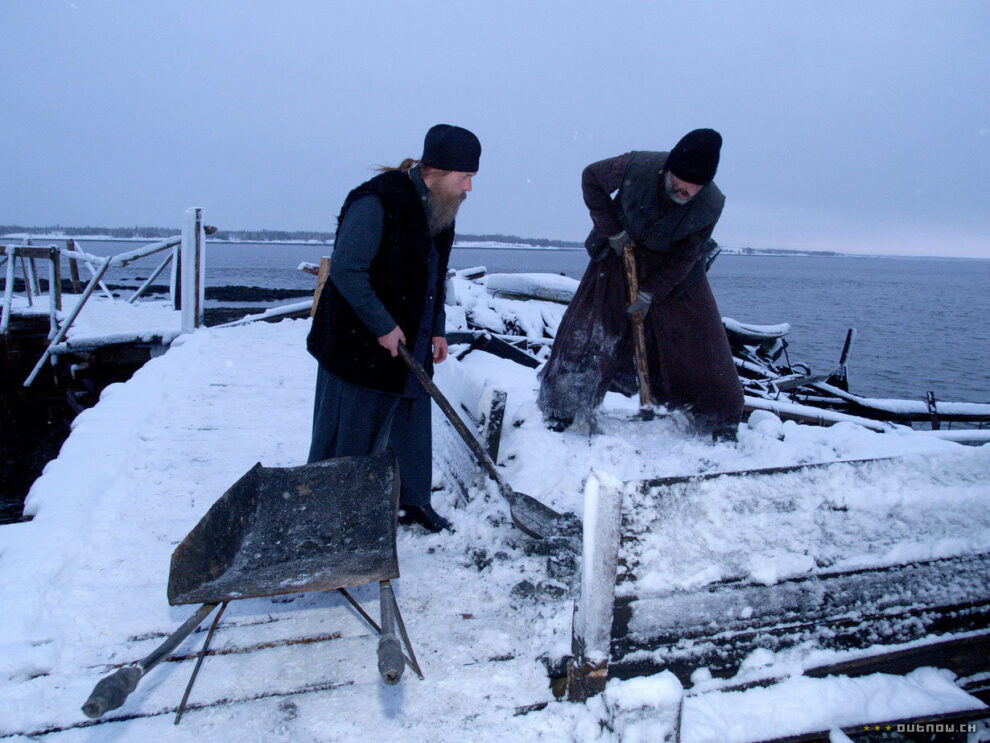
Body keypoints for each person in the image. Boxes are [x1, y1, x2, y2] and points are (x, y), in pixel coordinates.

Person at [306, 124, 481, 532]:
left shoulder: (442, 207)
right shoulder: (376, 200)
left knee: (410, 425)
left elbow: (434, 275)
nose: (469, 188)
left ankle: (411, 502)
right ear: (435, 170)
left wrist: (436, 328)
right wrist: (383, 326)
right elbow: (348, 271)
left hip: (413, 338)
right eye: (465, 177)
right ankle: (331, 513)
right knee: (349, 433)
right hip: (355, 342)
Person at [537, 128, 743, 440]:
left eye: (693, 193)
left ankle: (716, 420)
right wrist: (613, 230)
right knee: (591, 328)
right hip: (621, 250)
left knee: (702, 339)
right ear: (669, 170)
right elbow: (590, 178)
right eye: (679, 188)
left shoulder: (711, 204)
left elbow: (688, 256)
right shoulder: (636, 166)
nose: (685, 197)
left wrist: (652, 293)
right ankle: (563, 408)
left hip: (674, 266)